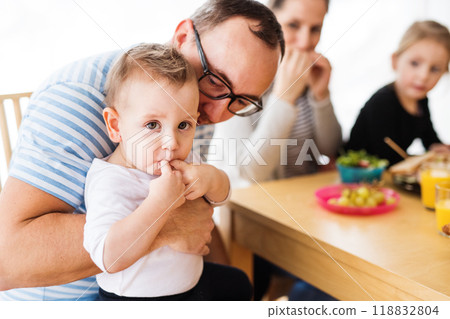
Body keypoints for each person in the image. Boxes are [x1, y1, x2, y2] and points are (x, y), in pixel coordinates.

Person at [0, 0, 283, 300]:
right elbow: (7, 258)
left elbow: (198, 219)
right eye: (214, 79)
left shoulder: (196, 105)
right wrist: (167, 223)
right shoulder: (78, 99)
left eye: (241, 101)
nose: (215, 113)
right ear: (184, 37)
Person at [83, 43, 251, 301]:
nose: (171, 142)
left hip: (191, 287)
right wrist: (160, 203)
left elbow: (223, 195)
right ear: (116, 126)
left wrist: (209, 178)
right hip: (135, 302)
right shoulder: (111, 180)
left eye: (184, 124)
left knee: (239, 283)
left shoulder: (184, 161)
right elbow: (109, 258)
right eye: (152, 125)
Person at [210, 0, 340, 300]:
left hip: (308, 219)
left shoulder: (309, 75)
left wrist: (321, 96)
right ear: (269, 19)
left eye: (315, 28)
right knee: (327, 289)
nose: (306, 41)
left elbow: (329, 150)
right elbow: (251, 171)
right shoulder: (242, 76)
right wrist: (284, 98)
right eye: (293, 26)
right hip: (258, 227)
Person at [346, 20, 450, 165]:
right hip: (357, 173)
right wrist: (423, 160)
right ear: (395, 61)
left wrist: (438, 148)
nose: (424, 75)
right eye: (415, 63)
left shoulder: (421, 101)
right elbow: (386, 156)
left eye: (435, 69)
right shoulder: (382, 102)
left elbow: (430, 139)